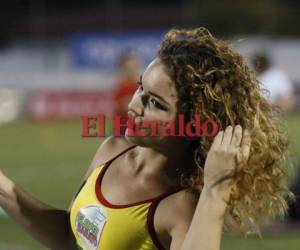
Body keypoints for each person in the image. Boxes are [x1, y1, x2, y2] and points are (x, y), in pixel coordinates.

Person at [0, 28, 292, 250]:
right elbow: (68, 235)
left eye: (155, 103)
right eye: (141, 88)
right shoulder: (111, 150)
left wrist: (216, 189)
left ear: (194, 123)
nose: (134, 105)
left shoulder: (183, 205)